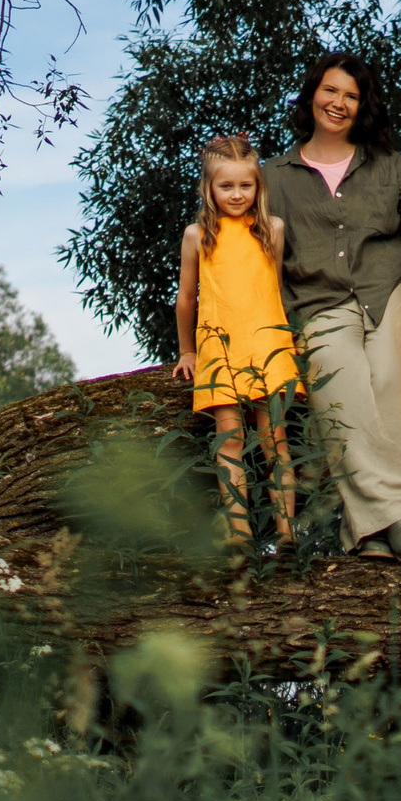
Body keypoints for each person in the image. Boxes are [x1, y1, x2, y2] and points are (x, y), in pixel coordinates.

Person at [262, 55, 401, 559]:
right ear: (311, 94)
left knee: (387, 381)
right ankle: (394, 516)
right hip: (317, 302)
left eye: (351, 96)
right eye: (330, 91)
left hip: (395, 288)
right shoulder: (271, 178)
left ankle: (364, 530)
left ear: (362, 107)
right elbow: (243, 248)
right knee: (337, 389)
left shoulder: (388, 166)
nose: (338, 103)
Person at [169, 134, 298, 546]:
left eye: (246, 185)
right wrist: (187, 349)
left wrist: (289, 339)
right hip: (218, 345)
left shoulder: (271, 229)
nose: (237, 194)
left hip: (266, 343)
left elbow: (273, 289)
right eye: (226, 186)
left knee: (274, 440)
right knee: (230, 439)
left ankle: (286, 531)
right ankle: (240, 533)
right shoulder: (197, 235)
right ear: (209, 188)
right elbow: (185, 298)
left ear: (259, 186)